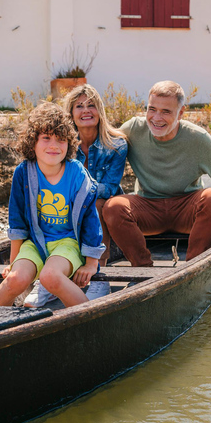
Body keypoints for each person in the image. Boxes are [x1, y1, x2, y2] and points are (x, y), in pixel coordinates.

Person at [102, 80, 211, 266]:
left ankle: (193, 267)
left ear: (181, 113)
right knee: (112, 207)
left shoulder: (198, 139)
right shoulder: (134, 129)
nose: (157, 118)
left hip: (187, 208)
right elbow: (104, 146)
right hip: (147, 207)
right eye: (152, 109)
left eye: (166, 111)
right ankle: (142, 269)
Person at [0, 102, 105, 308]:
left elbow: (91, 219)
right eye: (46, 138)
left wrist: (91, 263)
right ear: (32, 143)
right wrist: (13, 262)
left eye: (61, 140)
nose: (53, 145)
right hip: (35, 243)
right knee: (15, 279)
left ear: (69, 144)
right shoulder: (24, 172)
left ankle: (89, 318)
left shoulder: (77, 174)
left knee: (50, 277)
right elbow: (16, 220)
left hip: (68, 243)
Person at [25, 85, 128, 305]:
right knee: (44, 202)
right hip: (63, 204)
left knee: (96, 202)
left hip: (102, 205)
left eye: (91, 105)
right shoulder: (63, 144)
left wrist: (79, 193)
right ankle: (46, 279)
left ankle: (99, 275)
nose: (85, 110)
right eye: (79, 106)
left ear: (100, 111)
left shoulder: (117, 145)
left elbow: (109, 187)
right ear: (71, 113)